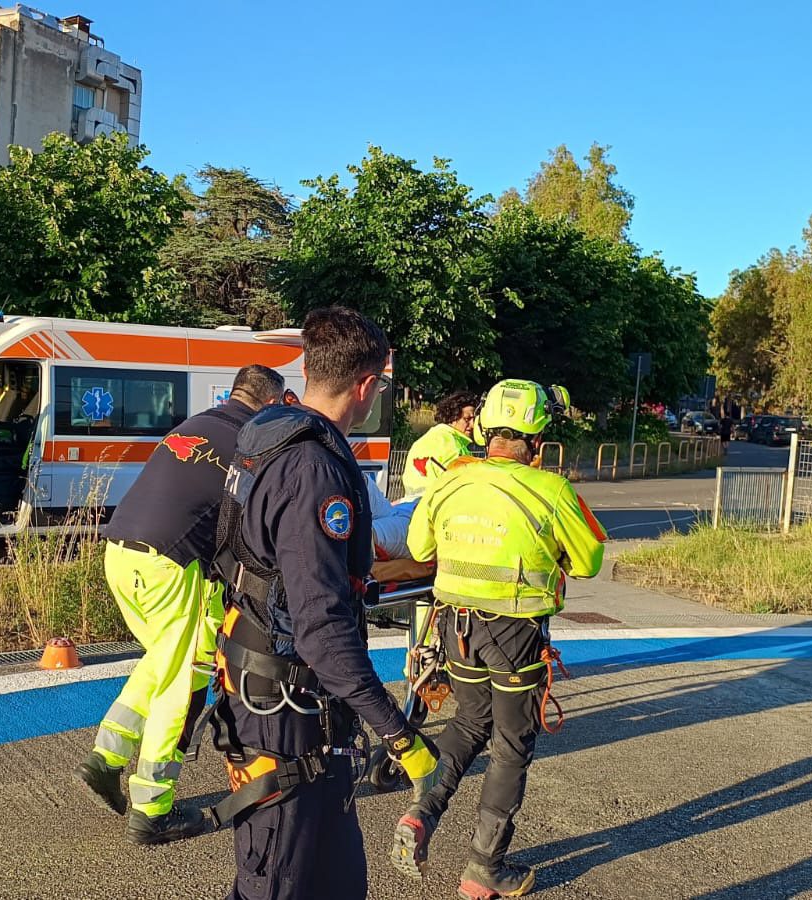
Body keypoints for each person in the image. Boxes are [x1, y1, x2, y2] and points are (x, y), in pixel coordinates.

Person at [209, 306, 437, 900]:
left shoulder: (265, 432)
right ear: (366, 385)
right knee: (278, 882)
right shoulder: (314, 469)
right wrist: (400, 733)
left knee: (336, 881)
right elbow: (322, 632)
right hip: (285, 710)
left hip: (274, 687)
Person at [389, 378, 607, 900]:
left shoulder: (449, 482)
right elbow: (589, 561)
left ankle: (421, 815)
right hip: (515, 634)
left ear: (485, 427)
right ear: (537, 436)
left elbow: (420, 546)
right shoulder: (552, 491)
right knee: (510, 746)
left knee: (468, 722)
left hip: (455, 628)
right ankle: (484, 868)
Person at [74, 364, 287, 845]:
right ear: (271, 403)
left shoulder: (195, 424)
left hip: (120, 552)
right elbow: (248, 527)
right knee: (181, 678)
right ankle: (152, 811)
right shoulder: (248, 444)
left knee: (162, 661)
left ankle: (105, 761)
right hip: (168, 565)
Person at [402, 390, 480, 498]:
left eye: (474, 419)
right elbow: (463, 488)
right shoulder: (452, 445)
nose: (472, 425)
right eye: (467, 419)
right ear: (452, 417)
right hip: (438, 508)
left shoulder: (429, 438)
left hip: (414, 506)